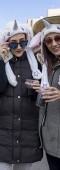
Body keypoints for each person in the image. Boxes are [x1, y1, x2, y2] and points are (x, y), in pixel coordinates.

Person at [0, 20, 43, 170]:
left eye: (22, 42)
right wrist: (1, 60)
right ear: (6, 44)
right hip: (3, 131)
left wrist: (39, 90)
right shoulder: (0, 63)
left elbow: (39, 99)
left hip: (28, 130)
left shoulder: (35, 65)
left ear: (27, 42)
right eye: (13, 44)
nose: (18, 47)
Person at [29, 15, 60, 170]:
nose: (54, 43)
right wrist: (39, 88)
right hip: (50, 140)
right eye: (49, 40)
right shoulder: (49, 67)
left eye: (58, 38)